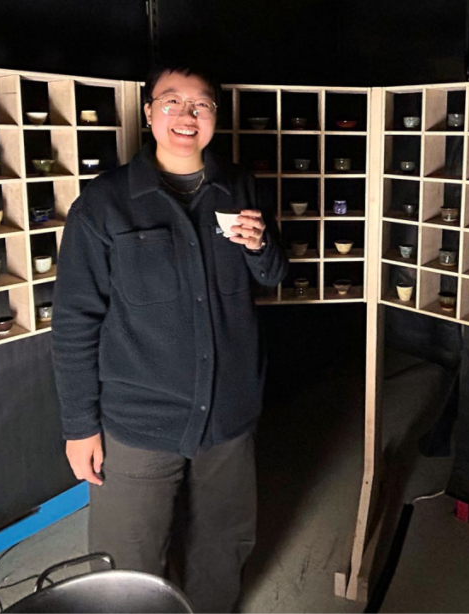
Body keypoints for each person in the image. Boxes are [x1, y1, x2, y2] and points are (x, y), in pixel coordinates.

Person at [51, 64, 287, 613]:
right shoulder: (105, 203)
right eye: (172, 101)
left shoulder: (240, 187)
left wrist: (260, 247)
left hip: (228, 413)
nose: (187, 115)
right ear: (149, 112)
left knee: (223, 545)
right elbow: (75, 320)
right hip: (140, 419)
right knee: (126, 562)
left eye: (201, 105)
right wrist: (79, 426)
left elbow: (273, 275)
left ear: (215, 117)